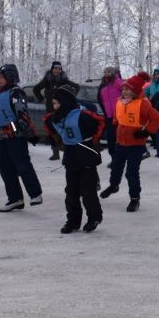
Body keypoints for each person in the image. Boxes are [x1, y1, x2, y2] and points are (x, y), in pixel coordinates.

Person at [44, 85, 106, 234]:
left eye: (57, 103)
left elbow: (101, 123)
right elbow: (48, 125)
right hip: (70, 157)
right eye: (54, 103)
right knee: (71, 192)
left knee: (88, 191)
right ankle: (73, 221)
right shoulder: (55, 118)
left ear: (65, 101)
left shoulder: (82, 115)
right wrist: (60, 140)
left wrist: (94, 140)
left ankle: (94, 217)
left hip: (86, 156)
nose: (55, 106)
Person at [99, 74, 159, 212]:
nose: (125, 91)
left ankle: (134, 199)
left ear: (135, 90)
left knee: (131, 172)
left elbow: (156, 119)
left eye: (128, 89)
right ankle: (113, 186)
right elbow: (117, 117)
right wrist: (116, 123)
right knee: (115, 167)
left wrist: (146, 132)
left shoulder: (143, 103)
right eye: (123, 89)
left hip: (136, 145)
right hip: (121, 142)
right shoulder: (120, 101)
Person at [0, 64, 43, 212]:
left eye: (2, 77)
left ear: (10, 77)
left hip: (15, 133)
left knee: (22, 165)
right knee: (6, 169)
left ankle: (35, 194)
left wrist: (29, 133)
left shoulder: (16, 93)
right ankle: (15, 199)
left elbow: (22, 114)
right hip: (1, 136)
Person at [33, 61, 80, 161]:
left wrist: (70, 98)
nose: (57, 70)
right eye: (55, 68)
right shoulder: (47, 79)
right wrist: (42, 99)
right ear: (52, 69)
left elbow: (77, 87)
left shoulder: (64, 80)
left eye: (59, 68)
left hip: (62, 110)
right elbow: (36, 89)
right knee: (51, 131)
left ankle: (67, 152)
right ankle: (55, 153)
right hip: (50, 109)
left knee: (63, 130)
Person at [97, 67, 124, 164]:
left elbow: (127, 94)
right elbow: (100, 99)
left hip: (120, 116)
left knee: (120, 138)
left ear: (113, 73)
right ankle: (114, 159)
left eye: (108, 72)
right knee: (111, 139)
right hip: (109, 116)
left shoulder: (118, 82)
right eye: (104, 72)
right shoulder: (103, 85)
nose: (106, 73)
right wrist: (105, 110)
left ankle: (121, 159)